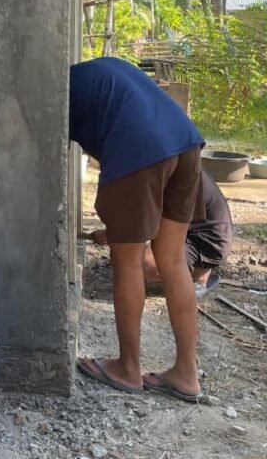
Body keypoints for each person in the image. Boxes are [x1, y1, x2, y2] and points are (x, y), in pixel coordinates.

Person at [69, 57, 206, 403]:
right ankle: (186, 374)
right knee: (173, 260)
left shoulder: (58, 91)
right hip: (186, 142)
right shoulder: (98, 74)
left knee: (127, 262)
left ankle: (128, 368)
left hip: (139, 148)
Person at [90, 171, 234, 298]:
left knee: (143, 264)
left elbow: (157, 225)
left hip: (205, 243)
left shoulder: (181, 181)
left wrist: (119, 234)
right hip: (188, 231)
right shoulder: (165, 171)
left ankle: (197, 277)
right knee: (126, 256)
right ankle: (187, 272)